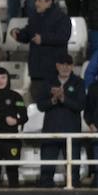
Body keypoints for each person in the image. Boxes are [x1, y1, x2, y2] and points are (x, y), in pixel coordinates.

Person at [35, 55, 86, 187]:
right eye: (62, 64)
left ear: (72, 66)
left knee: (73, 172)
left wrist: (64, 99)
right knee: (46, 169)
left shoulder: (79, 82)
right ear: (57, 66)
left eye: (68, 64)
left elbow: (80, 105)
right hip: (50, 132)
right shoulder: (48, 82)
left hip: (72, 132)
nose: (65, 67)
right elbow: (40, 105)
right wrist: (53, 100)